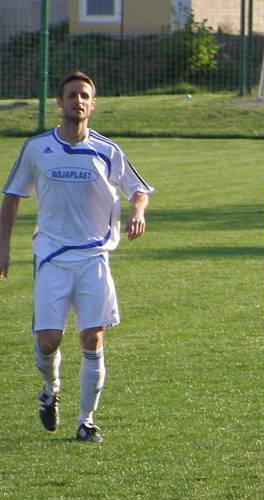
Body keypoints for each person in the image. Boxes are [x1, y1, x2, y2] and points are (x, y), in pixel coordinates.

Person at [0, 71, 153, 444]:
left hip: (94, 257)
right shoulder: (37, 149)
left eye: (85, 95)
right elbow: (12, 198)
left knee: (92, 337)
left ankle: (86, 421)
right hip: (51, 257)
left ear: (93, 103)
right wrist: (2, 248)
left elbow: (139, 190)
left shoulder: (108, 150)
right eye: (72, 95)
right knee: (48, 341)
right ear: (59, 102)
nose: (78, 101)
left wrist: (138, 211)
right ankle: (50, 389)